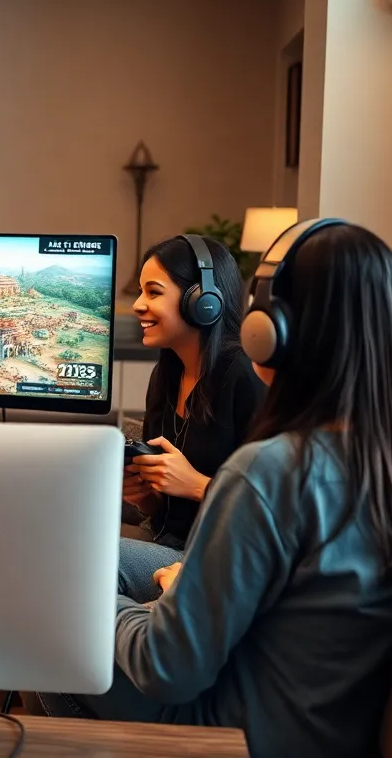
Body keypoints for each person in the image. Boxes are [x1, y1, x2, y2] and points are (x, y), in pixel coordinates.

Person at [40, 221, 392, 757]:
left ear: (271, 331)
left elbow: (168, 670)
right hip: (335, 720)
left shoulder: (271, 472)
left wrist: (93, 602)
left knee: (54, 614)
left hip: (243, 731)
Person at [119, 235, 265, 588]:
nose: (138, 304)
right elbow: (169, 513)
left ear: (203, 301)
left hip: (223, 557)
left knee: (92, 557)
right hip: (172, 544)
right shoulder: (168, 371)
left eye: (153, 292)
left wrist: (198, 486)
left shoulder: (245, 374)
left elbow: (275, 508)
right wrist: (149, 498)